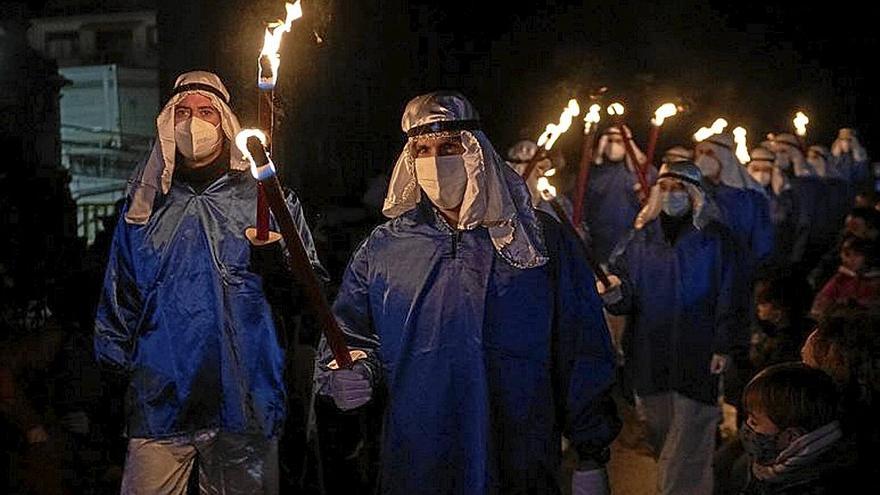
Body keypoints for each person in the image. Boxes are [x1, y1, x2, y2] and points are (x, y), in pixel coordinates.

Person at [316, 91, 620, 495]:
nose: (435, 161)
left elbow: (579, 347)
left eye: (448, 147)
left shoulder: (538, 240)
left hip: (516, 456)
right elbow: (351, 332)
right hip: (418, 457)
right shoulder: (385, 248)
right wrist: (355, 369)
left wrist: (590, 451)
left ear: (476, 151)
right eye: (422, 149)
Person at [94, 71, 324, 494]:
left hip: (244, 396)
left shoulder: (269, 200)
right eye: (181, 112)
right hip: (159, 397)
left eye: (205, 112)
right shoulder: (143, 206)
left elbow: (312, 298)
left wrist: (279, 273)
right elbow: (120, 296)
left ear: (225, 122)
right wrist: (111, 378)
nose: (191, 122)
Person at [599, 161, 739, 495]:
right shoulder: (640, 239)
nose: (673, 194)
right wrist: (614, 292)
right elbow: (625, 293)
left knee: (690, 440)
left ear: (695, 194)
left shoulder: (715, 239)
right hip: (651, 353)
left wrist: (723, 342)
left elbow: (730, 291)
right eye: (666, 188)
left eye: (680, 188)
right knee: (662, 435)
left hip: (698, 352)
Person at [740, 363, 857, 495]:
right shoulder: (769, 468)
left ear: (791, 437)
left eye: (754, 422)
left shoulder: (821, 484)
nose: (747, 425)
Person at [580, 125, 653, 264]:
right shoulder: (592, 173)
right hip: (598, 244)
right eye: (610, 140)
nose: (613, 145)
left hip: (631, 245)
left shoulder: (639, 174)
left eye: (619, 141)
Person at [810, 236, 879, 318]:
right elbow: (818, 308)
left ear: (866, 257)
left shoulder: (875, 280)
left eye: (857, 255)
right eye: (847, 254)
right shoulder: (841, 278)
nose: (851, 259)